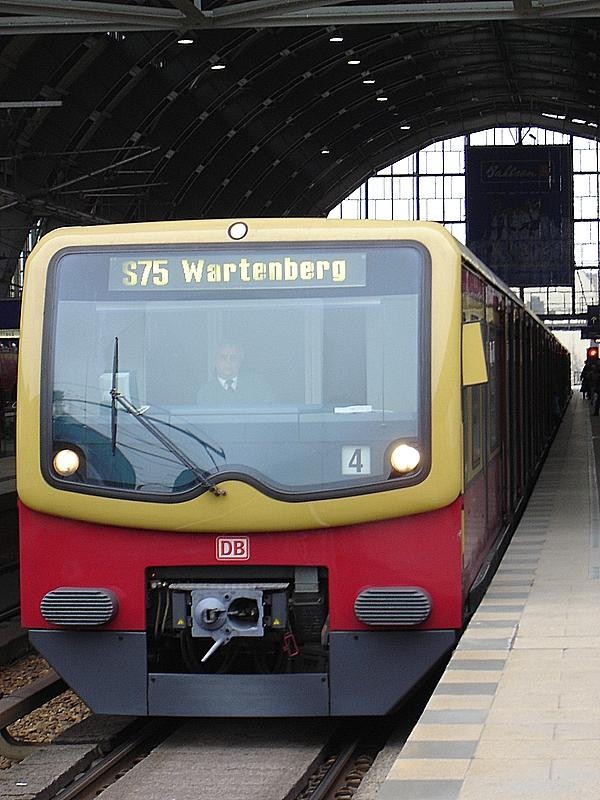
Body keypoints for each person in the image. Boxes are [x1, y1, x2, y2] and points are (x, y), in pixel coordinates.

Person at [196, 342, 272, 405]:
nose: (228, 362)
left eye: (233, 358)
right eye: (223, 357)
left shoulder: (256, 388)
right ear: (215, 361)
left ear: (240, 362)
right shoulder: (205, 393)